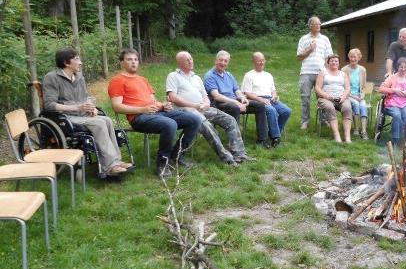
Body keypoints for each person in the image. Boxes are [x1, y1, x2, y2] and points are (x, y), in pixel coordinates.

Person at [108, 49, 201, 178]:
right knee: (170, 124)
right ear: (122, 63)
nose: (133, 62)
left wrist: (163, 105)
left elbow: (153, 101)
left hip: (156, 113)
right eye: (129, 60)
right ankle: (162, 163)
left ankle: (177, 155)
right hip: (139, 117)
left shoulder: (142, 79)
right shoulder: (117, 81)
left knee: (194, 119)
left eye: (135, 59)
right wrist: (143, 109)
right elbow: (117, 107)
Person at [42, 48, 132, 177]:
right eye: (77, 59)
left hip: (81, 115)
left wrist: (92, 107)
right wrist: (78, 107)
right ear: (67, 63)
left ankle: (116, 161)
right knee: (99, 124)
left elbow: (86, 97)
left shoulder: (79, 77)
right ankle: (109, 166)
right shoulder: (52, 77)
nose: (81, 62)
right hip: (65, 117)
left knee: (107, 120)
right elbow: (49, 105)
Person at [166, 51, 254, 166]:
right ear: (179, 62)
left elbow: (205, 96)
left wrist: (206, 103)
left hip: (201, 108)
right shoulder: (173, 76)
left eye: (191, 59)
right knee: (206, 124)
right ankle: (226, 157)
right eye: (187, 60)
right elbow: (172, 97)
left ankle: (239, 154)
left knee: (229, 120)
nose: (190, 61)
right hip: (184, 109)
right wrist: (195, 106)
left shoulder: (196, 77)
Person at [203, 50, 270, 148]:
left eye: (225, 61)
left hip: (234, 101)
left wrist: (243, 98)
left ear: (228, 63)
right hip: (219, 103)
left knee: (260, 105)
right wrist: (236, 103)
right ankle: (236, 143)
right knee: (234, 107)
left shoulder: (228, 75)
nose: (223, 63)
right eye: (220, 60)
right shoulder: (210, 76)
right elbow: (216, 96)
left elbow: (237, 90)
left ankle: (262, 140)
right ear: (215, 61)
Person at [241, 52, 291, 148]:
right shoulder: (249, 75)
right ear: (253, 62)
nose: (261, 63)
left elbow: (273, 90)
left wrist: (275, 96)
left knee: (286, 111)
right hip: (256, 99)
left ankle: (272, 133)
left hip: (270, 99)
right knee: (271, 110)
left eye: (263, 60)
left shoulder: (268, 75)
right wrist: (260, 99)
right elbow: (247, 93)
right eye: (259, 61)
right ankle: (276, 137)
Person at [297, 16, 333, 130]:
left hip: (321, 73)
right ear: (310, 26)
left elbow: (329, 57)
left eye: (319, 24)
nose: (318, 26)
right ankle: (305, 121)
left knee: (322, 98)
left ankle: (323, 120)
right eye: (316, 24)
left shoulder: (325, 39)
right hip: (306, 72)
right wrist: (310, 50)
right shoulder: (303, 39)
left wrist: (327, 72)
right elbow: (299, 57)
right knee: (305, 98)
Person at [379, 57, 406, 147]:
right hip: (392, 103)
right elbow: (381, 89)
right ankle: (396, 140)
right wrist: (394, 90)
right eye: (401, 67)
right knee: (397, 115)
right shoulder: (391, 78)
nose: (403, 69)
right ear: (397, 67)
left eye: (405, 67)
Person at [315, 55, 352, 143]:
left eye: (336, 61)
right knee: (330, 107)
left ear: (339, 63)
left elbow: (347, 88)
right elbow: (317, 88)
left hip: (341, 98)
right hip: (325, 99)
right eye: (332, 61)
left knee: (347, 108)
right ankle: (337, 135)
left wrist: (343, 97)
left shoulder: (343, 74)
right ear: (328, 63)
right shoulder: (323, 73)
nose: (334, 62)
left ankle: (347, 137)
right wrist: (326, 96)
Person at [341, 48, 369, 140]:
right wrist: (354, 97)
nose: (353, 59)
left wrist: (362, 95)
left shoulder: (362, 70)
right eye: (351, 57)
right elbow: (343, 88)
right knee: (356, 104)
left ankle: (364, 131)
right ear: (349, 57)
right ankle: (356, 128)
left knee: (363, 105)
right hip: (349, 95)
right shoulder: (344, 70)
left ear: (359, 58)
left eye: (355, 57)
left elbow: (364, 86)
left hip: (359, 95)